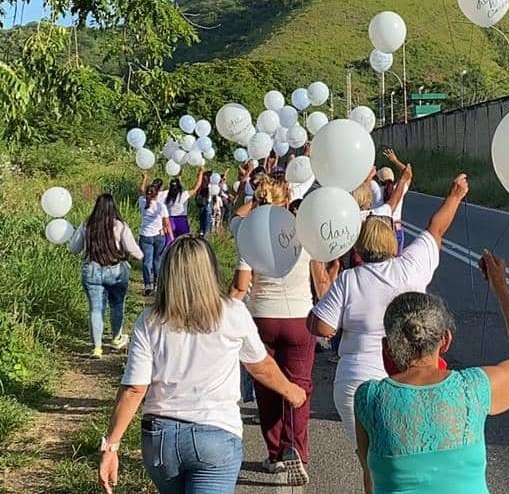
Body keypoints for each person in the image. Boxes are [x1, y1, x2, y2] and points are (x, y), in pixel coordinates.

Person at [97, 236, 307, 494]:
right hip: (215, 434)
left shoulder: (150, 320)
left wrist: (111, 446)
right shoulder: (232, 312)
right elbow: (260, 366)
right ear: (210, 270)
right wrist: (291, 391)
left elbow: (134, 389)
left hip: (161, 439)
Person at [354, 253, 509, 494]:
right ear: (445, 340)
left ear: (387, 347)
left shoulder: (369, 398)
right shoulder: (473, 388)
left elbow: (370, 476)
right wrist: (501, 288)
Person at [308, 173, 469, 443]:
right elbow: (436, 228)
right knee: (403, 457)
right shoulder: (411, 267)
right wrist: (455, 196)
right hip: (408, 379)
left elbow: (322, 327)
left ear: (359, 247)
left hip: (355, 382)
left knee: (370, 461)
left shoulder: (349, 279)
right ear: (392, 242)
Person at [230, 175, 328, 487]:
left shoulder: (249, 237)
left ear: (258, 202)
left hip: (262, 319)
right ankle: (297, 449)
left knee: (267, 386)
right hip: (300, 318)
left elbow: (239, 287)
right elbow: (321, 283)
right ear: (287, 202)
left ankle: (274, 455)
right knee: (299, 388)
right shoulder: (304, 233)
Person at [68, 194, 143, 358]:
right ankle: (116, 338)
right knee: (117, 305)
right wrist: (142, 256)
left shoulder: (87, 225)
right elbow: (132, 249)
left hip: (92, 270)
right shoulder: (120, 226)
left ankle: (97, 347)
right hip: (115, 270)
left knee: (96, 309)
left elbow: (74, 248)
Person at [138, 175, 174, 296]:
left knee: (147, 262)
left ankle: (148, 284)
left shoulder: (142, 202)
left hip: (145, 236)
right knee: (157, 261)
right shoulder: (161, 207)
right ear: (156, 194)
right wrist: (172, 238)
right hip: (159, 236)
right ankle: (157, 284)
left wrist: (144, 178)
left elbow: (141, 191)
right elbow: (166, 223)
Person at [158, 168, 204, 240]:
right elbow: (196, 187)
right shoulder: (183, 195)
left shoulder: (166, 196)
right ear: (179, 187)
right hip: (181, 220)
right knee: (183, 242)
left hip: (170, 221)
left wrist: (179, 177)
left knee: (170, 243)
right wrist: (201, 173)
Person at [381, 148, 409, 251]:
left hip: (382, 230)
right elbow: (408, 174)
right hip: (397, 228)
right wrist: (394, 160)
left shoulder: (375, 191)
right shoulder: (399, 189)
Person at [195, 171, 213, 237]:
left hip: (206, 202)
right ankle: (204, 231)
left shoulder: (209, 184)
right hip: (205, 202)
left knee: (205, 216)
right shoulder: (205, 184)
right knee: (205, 216)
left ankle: (203, 231)